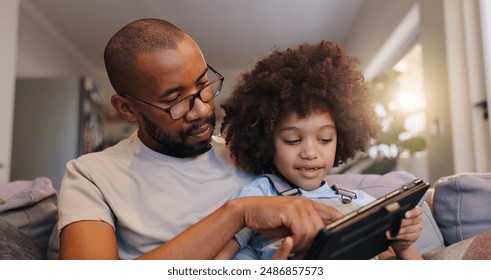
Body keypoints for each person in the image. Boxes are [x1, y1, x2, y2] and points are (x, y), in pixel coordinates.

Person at [50, 18, 343, 260]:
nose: (202, 109)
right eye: (175, 100)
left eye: (203, 84)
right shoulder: (90, 175)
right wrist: (239, 213)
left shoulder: (250, 153)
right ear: (127, 109)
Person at [216, 41, 423, 260]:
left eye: (324, 139)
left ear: (340, 139)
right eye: (293, 140)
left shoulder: (361, 202)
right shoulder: (259, 195)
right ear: (267, 142)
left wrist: (402, 246)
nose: (310, 152)